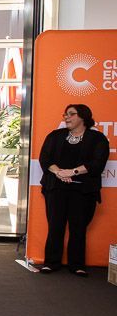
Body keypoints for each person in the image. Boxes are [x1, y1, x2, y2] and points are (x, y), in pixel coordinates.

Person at [37, 104, 110, 276]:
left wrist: (73, 172)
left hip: (83, 191)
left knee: (78, 228)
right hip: (56, 188)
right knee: (55, 226)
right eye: (65, 114)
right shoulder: (56, 136)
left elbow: (97, 163)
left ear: (83, 117)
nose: (66, 117)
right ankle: (51, 263)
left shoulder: (97, 138)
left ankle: (77, 265)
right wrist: (60, 173)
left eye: (71, 114)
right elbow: (45, 158)